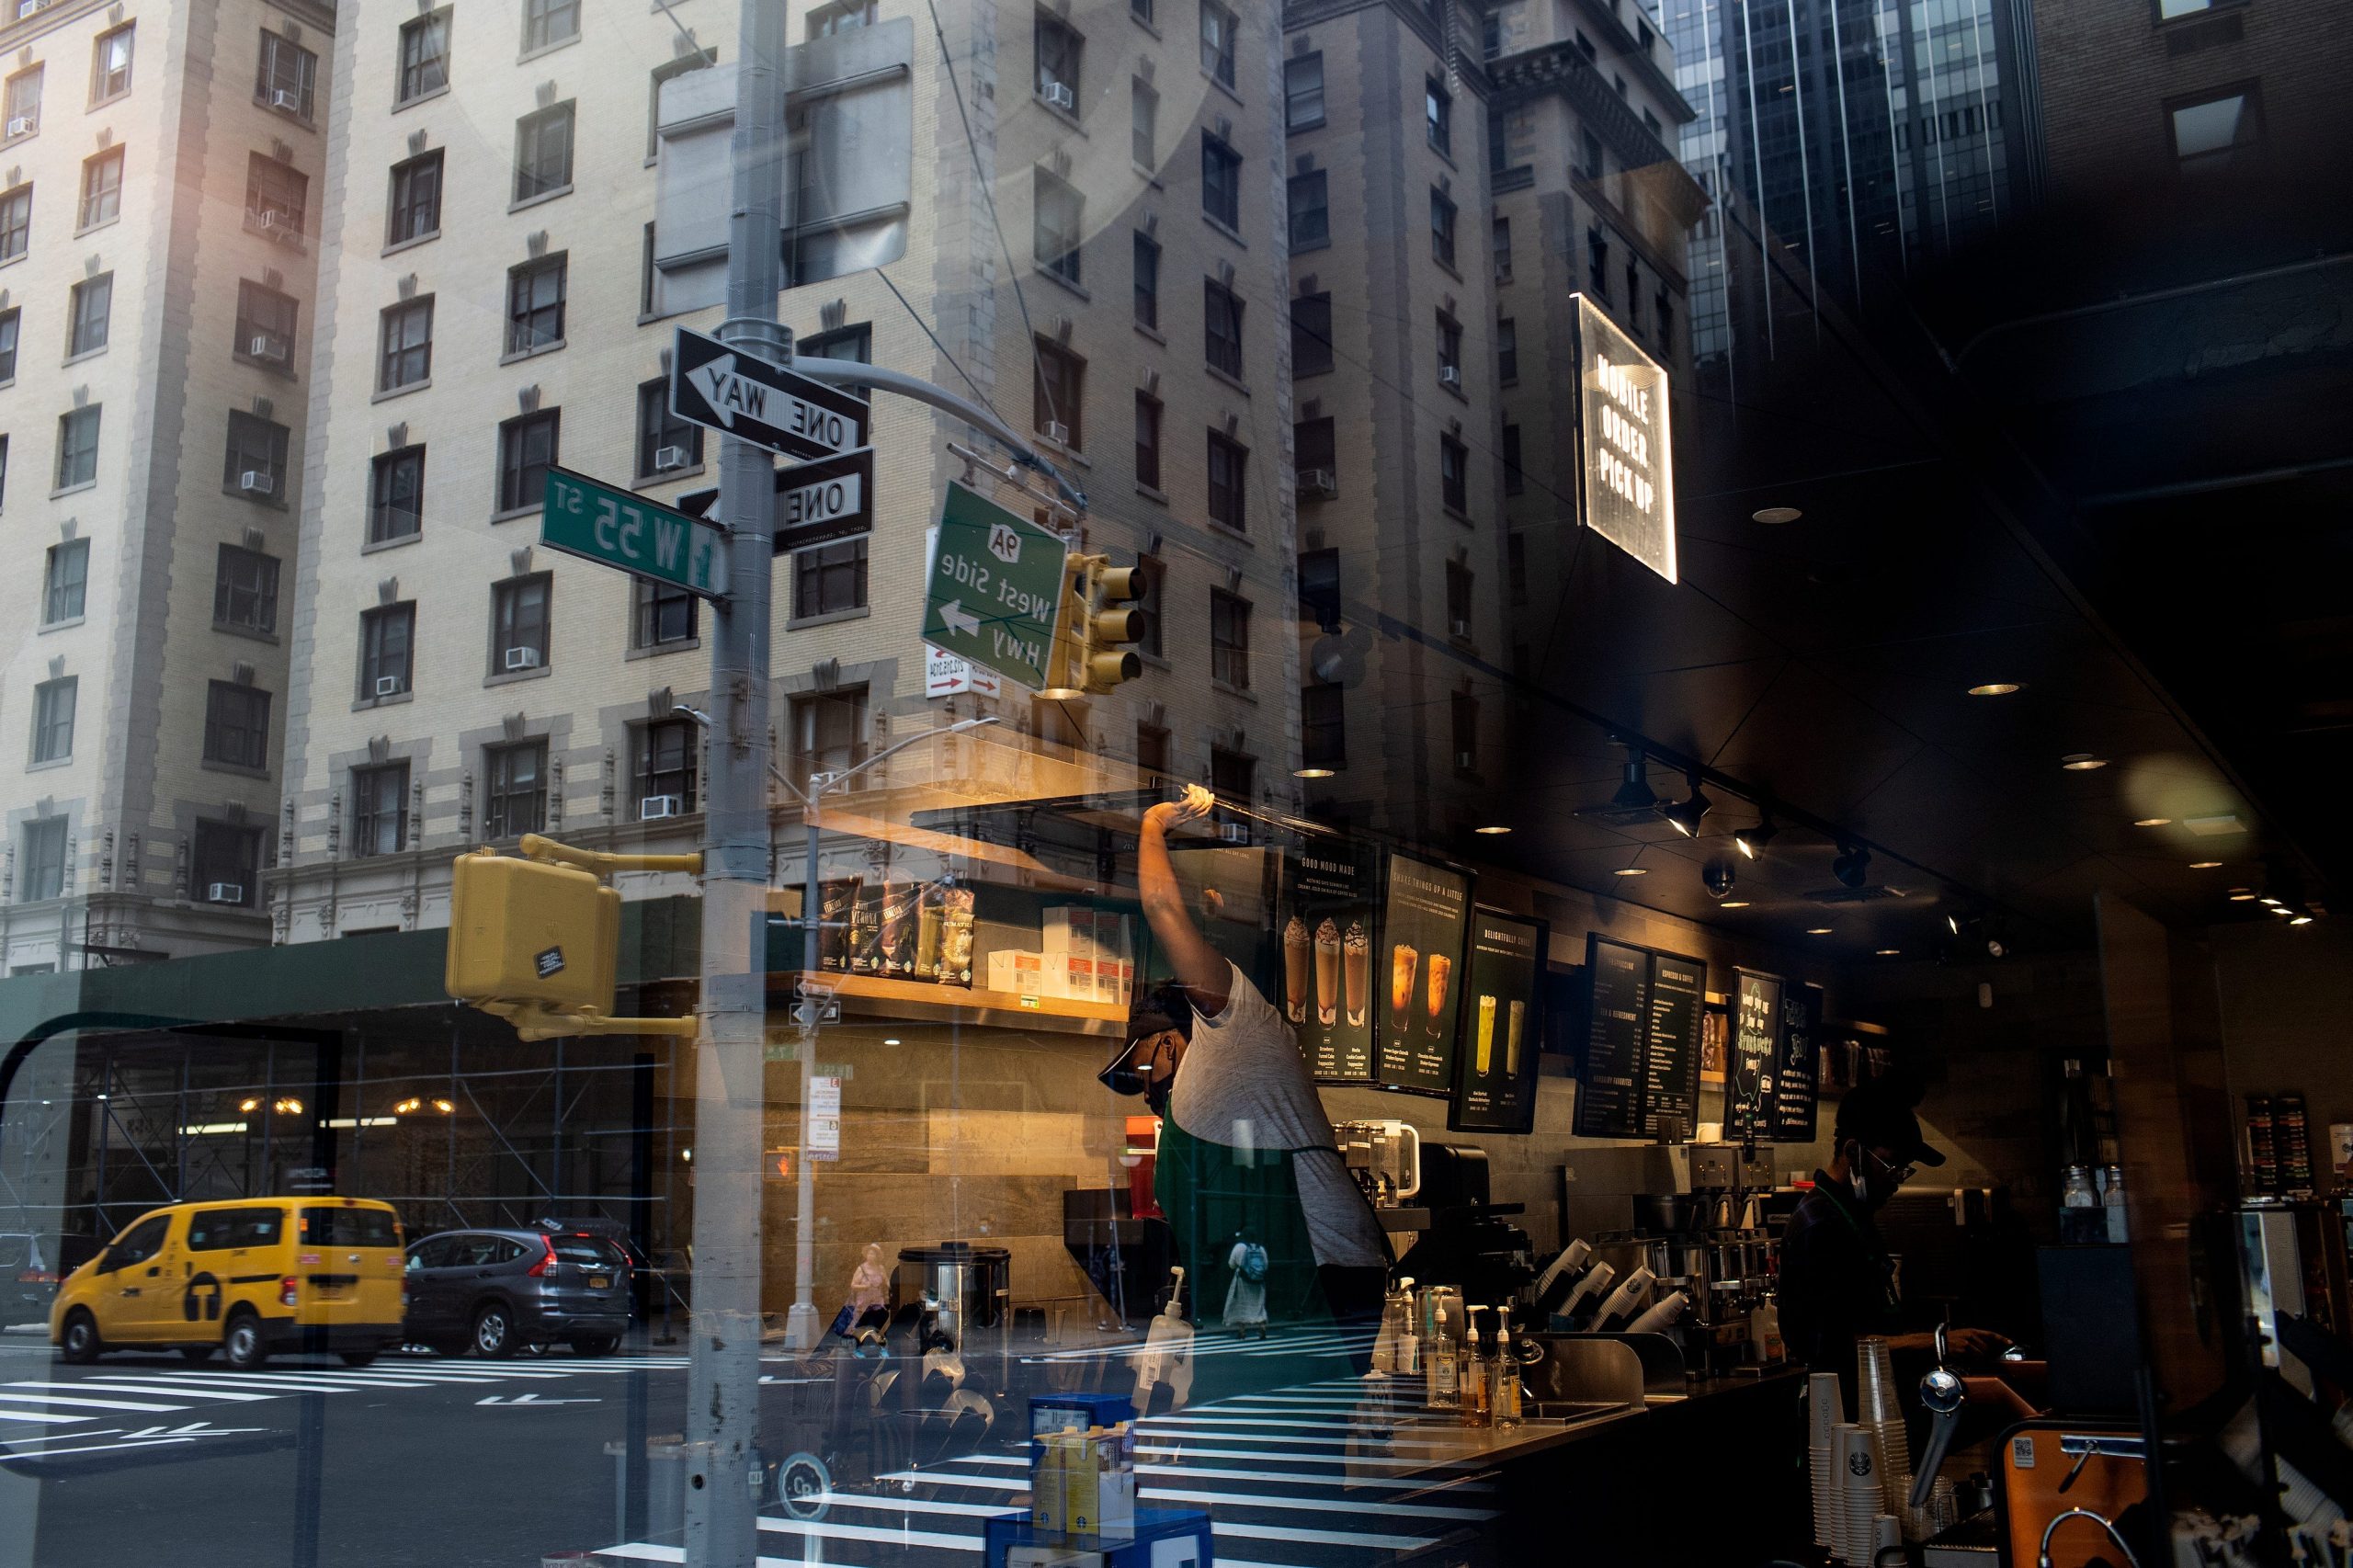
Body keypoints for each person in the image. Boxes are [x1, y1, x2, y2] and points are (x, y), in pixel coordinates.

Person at [1100, 784, 1390, 1354]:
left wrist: (1154, 825)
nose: (1143, 1090)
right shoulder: (1194, 1100)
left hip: (1324, 1282)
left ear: (1170, 1039)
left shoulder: (1234, 1025)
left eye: (1141, 1070)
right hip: (1260, 1297)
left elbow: (1161, 910)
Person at [1779, 1080, 2011, 1413]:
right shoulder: (1820, 1225)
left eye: (1904, 1170)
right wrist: (1935, 1344)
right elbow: (1827, 1347)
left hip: (1875, 1403)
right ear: (1852, 1152)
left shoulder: (1853, 1215)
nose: (1897, 1180)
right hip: (1841, 1416)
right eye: (1892, 1166)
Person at [1225, 1224, 1270, 1338]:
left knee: (1241, 1304)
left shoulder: (1239, 1247)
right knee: (1259, 1305)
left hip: (1242, 1280)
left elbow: (1231, 1264)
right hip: (1258, 1282)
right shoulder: (1260, 1248)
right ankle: (1262, 1327)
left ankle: (1242, 1331)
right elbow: (1265, 1265)